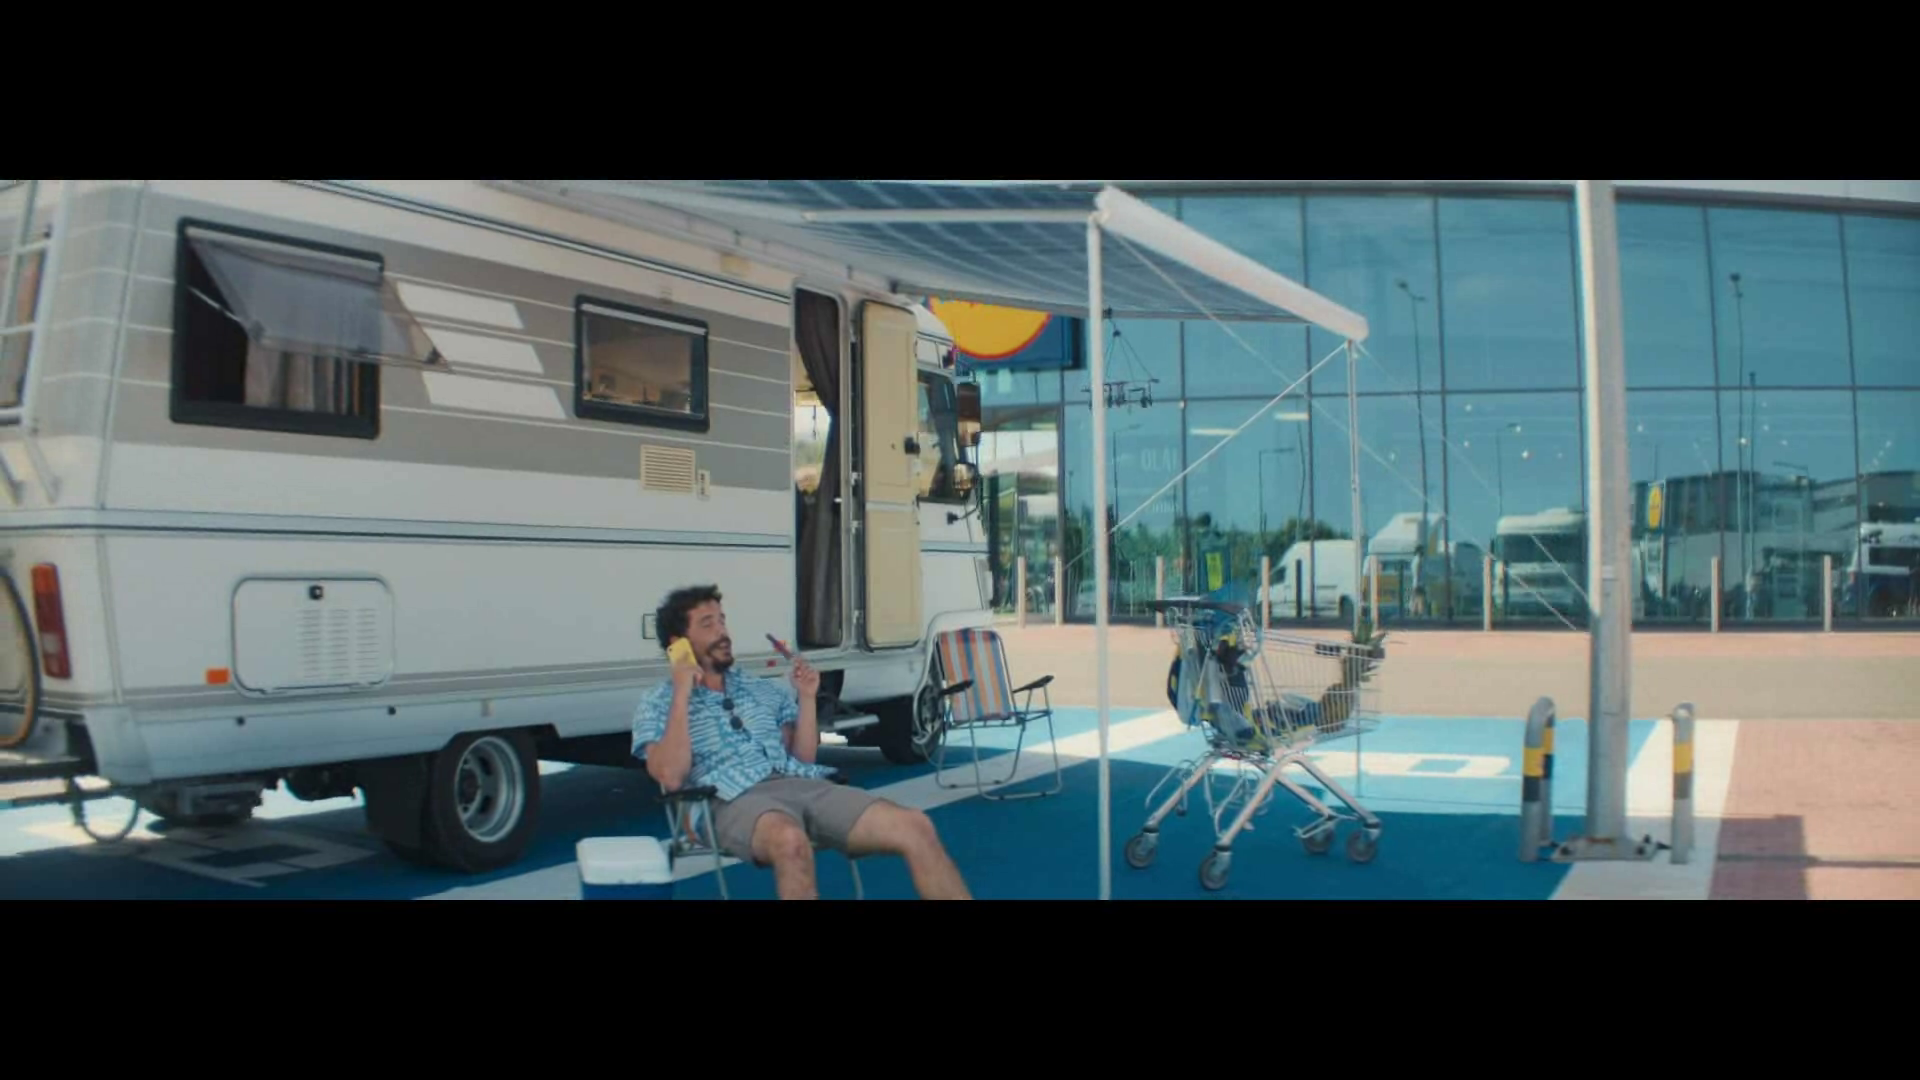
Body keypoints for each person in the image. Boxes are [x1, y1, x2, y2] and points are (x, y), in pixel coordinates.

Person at [632, 584, 972, 900]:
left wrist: (807, 698)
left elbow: (803, 758)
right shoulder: (658, 701)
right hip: (725, 799)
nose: (722, 632)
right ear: (678, 643)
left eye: (722, 621)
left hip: (802, 784)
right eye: (708, 624)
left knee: (915, 826)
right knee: (790, 841)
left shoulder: (760, 688)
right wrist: (682, 692)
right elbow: (671, 777)